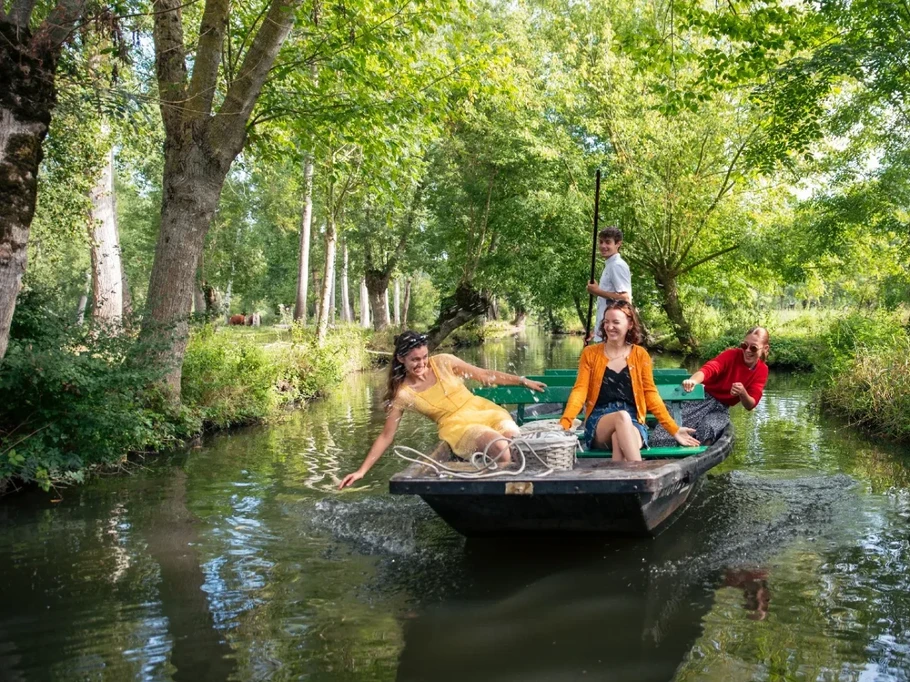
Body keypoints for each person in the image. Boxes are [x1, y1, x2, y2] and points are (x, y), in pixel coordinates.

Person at [338, 331, 547, 489]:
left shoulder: (444, 362)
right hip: (458, 428)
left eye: (424, 357)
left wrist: (521, 381)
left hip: (485, 411)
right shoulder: (403, 394)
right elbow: (386, 436)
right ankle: (501, 498)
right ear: (401, 359)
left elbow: (484, 374)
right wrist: (361, 471)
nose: (422, 364)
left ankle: (525, 491)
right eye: (415, 360)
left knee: (518, 444)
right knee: (501, 448)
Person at [558, 300, 699, 461]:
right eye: (606, 322)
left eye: (616, 322)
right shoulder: (590, 353)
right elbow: (580, 390)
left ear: (630, 324)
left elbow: (650, 394)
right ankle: (641, 477)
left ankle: (620, 481)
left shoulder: (640, 355)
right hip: (600, 421)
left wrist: (673, 429)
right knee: (621, 417)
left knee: (620, 438)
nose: (609, 327)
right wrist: (566, 422)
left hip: (634, 422)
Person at [652, 327, 770, 446]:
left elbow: (751, 404)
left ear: (765, 349)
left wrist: (743, 393)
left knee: (708, 429)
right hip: (701, 401)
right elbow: (711, 368)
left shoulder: (762, 370)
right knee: (663, 436)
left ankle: (697, 457)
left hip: (721, 409)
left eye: (753, 348)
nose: (748, 350)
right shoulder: (731, 355)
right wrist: (693, 381)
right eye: (744, 345)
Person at [586, 226, 632, 342]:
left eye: (608, 242)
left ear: (618, 244)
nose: (603, 246)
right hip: (605, 332)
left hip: (611, 334)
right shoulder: (610, 265)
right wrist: (594, 331)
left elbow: (625, 298)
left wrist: (597, 291)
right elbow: (606, 304)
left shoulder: (617, 265)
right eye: (601, 242)